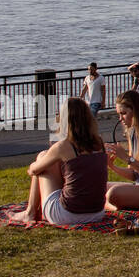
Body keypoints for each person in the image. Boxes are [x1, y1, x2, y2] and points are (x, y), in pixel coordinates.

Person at [8, 97, 108, 226]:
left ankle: (30, 212)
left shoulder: (63, 146)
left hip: (67, 215)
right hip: (96, 213)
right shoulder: (99, 142)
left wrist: (34, 164)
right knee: (58, 162)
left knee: (42, 156)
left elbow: (34, 170)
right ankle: (31, 212)